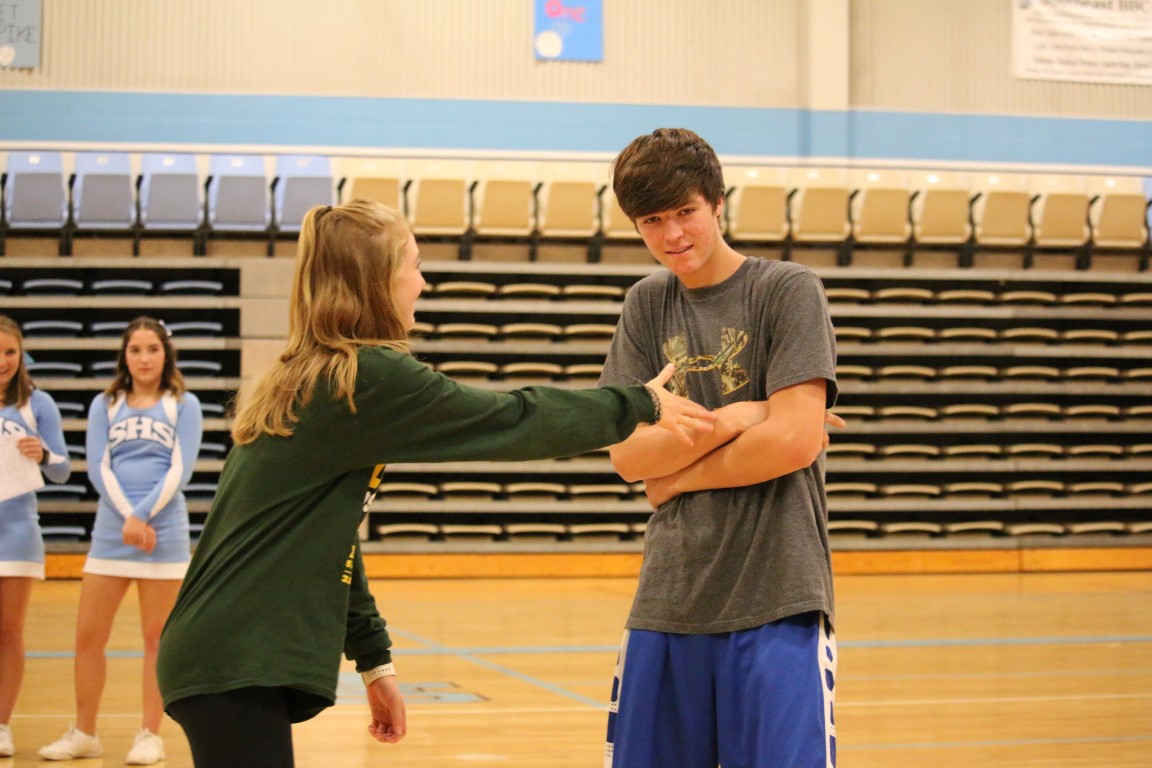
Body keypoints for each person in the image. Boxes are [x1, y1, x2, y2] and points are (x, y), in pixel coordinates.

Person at [154, 199, 716, 768]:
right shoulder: (365, 378)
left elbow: (332, 538)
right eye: (415, 265)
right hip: (234, 654)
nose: (423, 283)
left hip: (221, 650)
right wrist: (636, 403)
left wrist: (374, 661)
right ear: (378, 281)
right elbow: (511, 420)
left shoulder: (316, 374)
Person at [598, 128, 842, 768]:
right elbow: (628, 458)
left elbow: (793, 441)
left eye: (686, 212)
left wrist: (676, 477)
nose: (673, 234)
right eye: (652, 221)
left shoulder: (787, 290)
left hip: (778, 596)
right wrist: (742, 415)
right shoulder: (646, 305)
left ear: (717, 203)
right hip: (669, 598)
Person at [40, 316, 203, 765]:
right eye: (136, 350)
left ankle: (150, 735)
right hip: (113, 533)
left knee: (157, 640)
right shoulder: (105, 403)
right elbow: (99, 467)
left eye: (153, 349)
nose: (144, 358)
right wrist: (129, 517)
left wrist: (143, 515)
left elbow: (180, 469)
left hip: (163, 535)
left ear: (166, 354)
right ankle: (84, 733)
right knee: (88, 636)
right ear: (124, 356)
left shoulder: (183, 404)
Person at [0, 316, 72, 758]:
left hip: (16, 531)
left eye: (10, 352)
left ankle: (1, 724)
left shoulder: (37, 403)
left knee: (8, 632)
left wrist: (42, 453)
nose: (3, 361)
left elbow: (63, 470)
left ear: (21, 354)